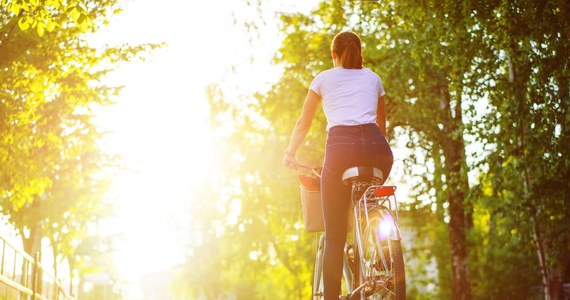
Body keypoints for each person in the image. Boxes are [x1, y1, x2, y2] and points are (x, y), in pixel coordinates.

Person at [282, 31, 393, 299]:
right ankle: (370, 231)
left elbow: (303, 123)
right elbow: (382, 126)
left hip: (341, 149)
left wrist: (290, 153)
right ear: (360, 53)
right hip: (379, 151)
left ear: (334, 55)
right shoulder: (373, 78)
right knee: (368, 200)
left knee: (334, 236)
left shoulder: (323, 78)